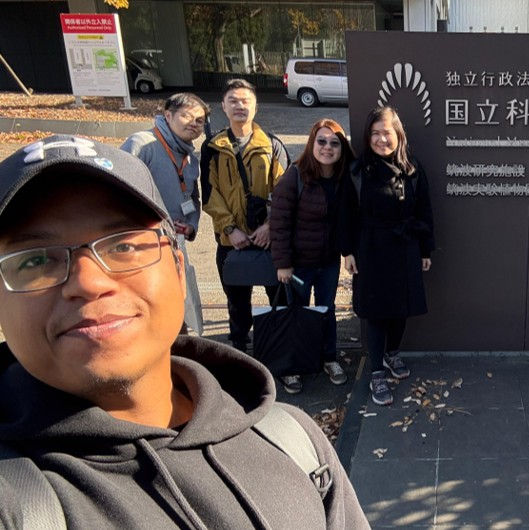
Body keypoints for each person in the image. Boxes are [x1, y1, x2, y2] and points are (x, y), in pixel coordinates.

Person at [0, 136, 368, 527]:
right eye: (35, 260)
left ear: (178, 269)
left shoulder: (291, 441)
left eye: (124, 246)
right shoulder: (17, 502)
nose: (88, 283)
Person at [340, 107, 435, 406]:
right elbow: (345, 216)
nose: (382, 139)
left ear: (399, 135)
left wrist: (425, 249)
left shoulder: (412, 168)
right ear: (368, 137)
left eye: (387, 133)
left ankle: (393, 353)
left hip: (405, 246)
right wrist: (347, 252)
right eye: (376, 133)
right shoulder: (357, 171)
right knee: (376, 312)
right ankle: (377, 371)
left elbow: (425, 211)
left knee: (401, 308)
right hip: (370, 248)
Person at [202, 79, 289, 352]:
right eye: (233, 101)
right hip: (231, 241)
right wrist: (230, 229)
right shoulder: (212, 147)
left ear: (256, 107)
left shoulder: (272, 144)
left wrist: (269, 226)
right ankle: (239, 350)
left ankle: (279, 349)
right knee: (237, 301)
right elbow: (208, 194)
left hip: (267, 239)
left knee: (277, 296)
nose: (240, 106)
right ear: (223, 107)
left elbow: (285, 192)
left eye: (245, 101)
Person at [269, 119, 354, 394]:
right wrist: (282, 263)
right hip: (298, 265)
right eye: (322, 141)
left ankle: (329, 358)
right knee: (298, 313)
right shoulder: (295, 175)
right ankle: (292, 367)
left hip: (327, 263)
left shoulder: (343, 178)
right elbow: (279, 222)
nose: (327, 147)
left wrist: (346, 252)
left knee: (325, 311)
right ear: (311, 143)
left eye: (334, 143)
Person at [121, 92, 209, 333]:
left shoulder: (189, 156)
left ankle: (179, 344)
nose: (193, 123)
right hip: (143, 244)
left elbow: (193, 197)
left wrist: (191, 225)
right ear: (167, 115)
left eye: (199, 120)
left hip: (175, 240)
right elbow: (118, 192)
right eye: (186, 116)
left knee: (176, 297)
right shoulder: (141, 144)